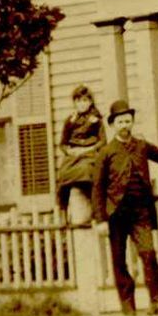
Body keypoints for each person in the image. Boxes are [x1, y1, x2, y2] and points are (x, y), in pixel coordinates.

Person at [90, 99, 158, 314]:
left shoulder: (142, 146)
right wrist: (100, 220)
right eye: (120, 121)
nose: (125, 125)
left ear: (132, 123)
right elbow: (97, 189)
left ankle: (156, 301)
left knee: (148, 253)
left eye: (128, 121)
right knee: (119, 260)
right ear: (113, 124)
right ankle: (127, 305)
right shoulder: (106, 153)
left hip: (140, 212)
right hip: (116, 213)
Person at [53, 84, 104, 223]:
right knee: (63, 174)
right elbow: (62, 143)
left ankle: (95, 211)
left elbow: (102, 141)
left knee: (87, 171)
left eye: (85, 100)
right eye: (79, 101)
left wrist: (88, 149)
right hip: (74, 155)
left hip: (90, 154)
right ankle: (62, 210)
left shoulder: (96, 121)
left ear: (90, 102)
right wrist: (69, 151)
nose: (82, 104)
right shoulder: (70, 121)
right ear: (75, 102)